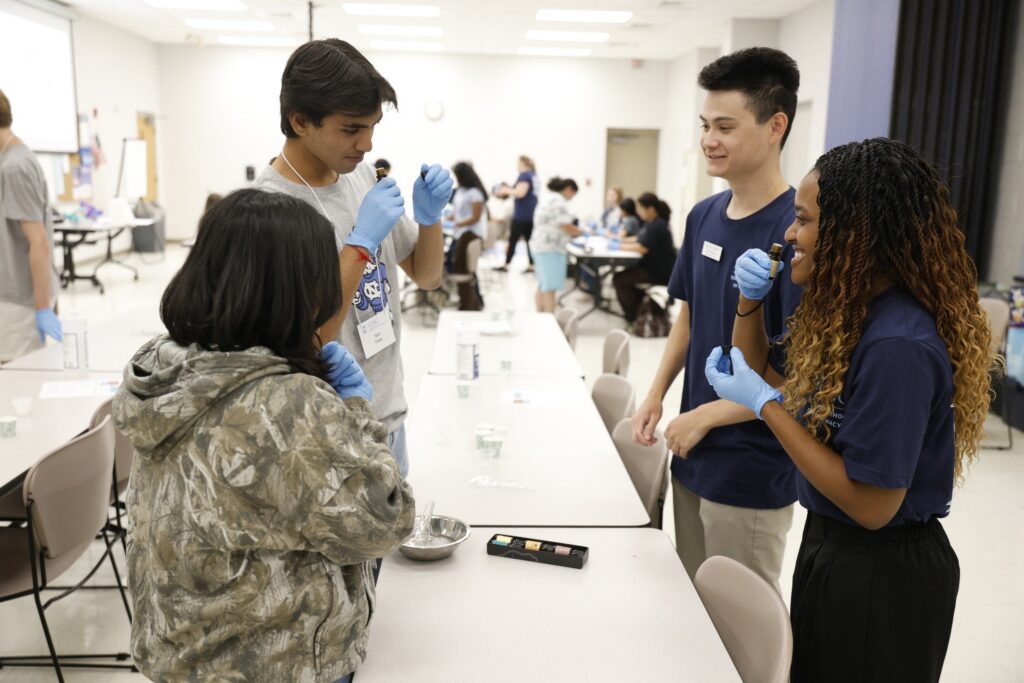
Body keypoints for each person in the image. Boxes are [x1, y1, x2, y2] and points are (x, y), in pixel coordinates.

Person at [706, 138, 990, 682]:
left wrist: (768, 408)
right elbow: (756, 370)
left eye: (804, 220)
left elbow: (872, 505)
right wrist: (749, 303)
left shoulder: (897, 346)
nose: (790, 235)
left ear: (854, 235)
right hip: (833, 546)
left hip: (883, 572)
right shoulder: (847, 315)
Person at [113, 189, 416, 683]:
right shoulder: (288, 405)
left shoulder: (163, 366)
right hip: (269, 661)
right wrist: (357, 410)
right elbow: (385, 521)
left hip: (180, 649)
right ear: (301, 289)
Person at [630, 47, 803, 590]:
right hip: (690, 449)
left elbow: (798, 377)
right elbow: (689, 312)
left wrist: (708, 416)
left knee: (739, 629)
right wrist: (658, 392)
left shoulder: (797, 233)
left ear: (776, 126)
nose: (709, 138)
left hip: (751, 466)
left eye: (725, 126)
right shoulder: (704, 214)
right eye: (705, 124)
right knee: (694, 613)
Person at [256, 39, 451, 479]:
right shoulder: (266, 210)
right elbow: (307, 341)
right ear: (300, 120)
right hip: (326, 435)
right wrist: (359, 244)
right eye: (350, 129)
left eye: (373, 126)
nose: (365, 144)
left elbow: (427, 275)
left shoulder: (360, 175)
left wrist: (430, 217)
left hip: (390, 417)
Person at [0, 88, 61, 362]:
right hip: (11, 301)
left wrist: (41, 308)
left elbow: (38, 242)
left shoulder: (15, 167)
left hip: (17, 308)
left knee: (15, 396)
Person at [610, 192, 677, 324]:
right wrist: (620, 242)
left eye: (640, 208)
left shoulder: (658, 225)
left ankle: (633, 315)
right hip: (651, 267)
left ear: (650, 209)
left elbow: (642, 247)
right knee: (624, 276)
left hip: (658, 272)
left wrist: (618, 247)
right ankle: (638, 310)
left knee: (619, 279)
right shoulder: (651, 223)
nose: (638, 212)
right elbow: (639, 239)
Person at [531, 177, 583, 313]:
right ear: (569, 189)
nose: (571, 198)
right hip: (550, 247)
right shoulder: (559, 201)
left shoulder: (549, 198)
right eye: (573, 194)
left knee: (543, 284)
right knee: (549, 287)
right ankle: (549, 321)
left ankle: (541, 316)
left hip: (541, 246)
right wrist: (583, 232)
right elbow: (565, 226)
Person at [448, 160, 487, 310]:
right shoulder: (460, 191)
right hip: (460, 233)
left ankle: (470, 303)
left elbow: (475, 217)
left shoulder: (475, 193)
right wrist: (452, 217)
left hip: (469, 234)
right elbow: (459, 210)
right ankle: (470, 300)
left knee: (464, 269)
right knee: (459, 267)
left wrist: (459, 223)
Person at [493, 155, 538, 272]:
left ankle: (506, 264)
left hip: (521, 215)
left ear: (522, 163)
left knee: (513, 240)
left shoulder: (524, 175)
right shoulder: (534, 176)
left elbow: (520, 193)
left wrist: (505, 190)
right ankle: (532, 265)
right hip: (531, 214)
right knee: (529, 241)